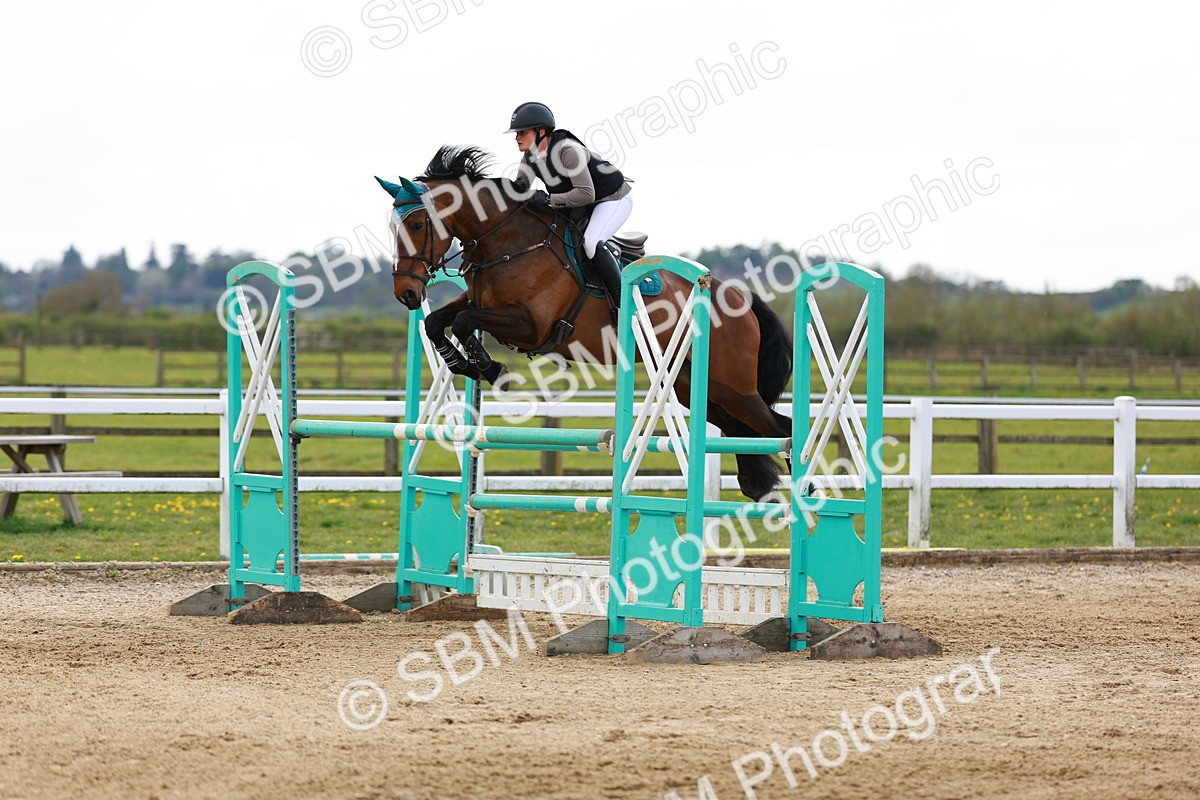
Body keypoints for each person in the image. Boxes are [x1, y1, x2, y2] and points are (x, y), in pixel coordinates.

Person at [505, 101, 632, 308]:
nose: (517, 138)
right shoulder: (530, 157)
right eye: (516, 133)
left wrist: (548, 199)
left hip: (612, 199)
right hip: (579, 205)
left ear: (542, 131)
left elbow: (586, 193)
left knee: (590, 242)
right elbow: (519, 189)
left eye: (522, 132)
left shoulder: (568, 150)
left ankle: (622, 304)